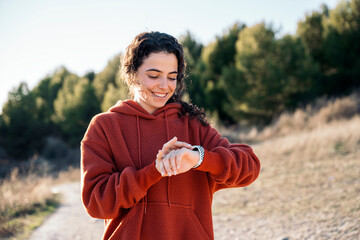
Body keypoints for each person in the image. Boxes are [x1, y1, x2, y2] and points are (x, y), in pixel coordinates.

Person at [81, 31, 260, 240]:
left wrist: (199, 158)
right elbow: (96, 203)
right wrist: (154, 171)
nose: (165, 86)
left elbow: (249, 167)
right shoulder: (104, 126)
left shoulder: (193, 125)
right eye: (154, 76)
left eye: (172, 77)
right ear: (132, 74)